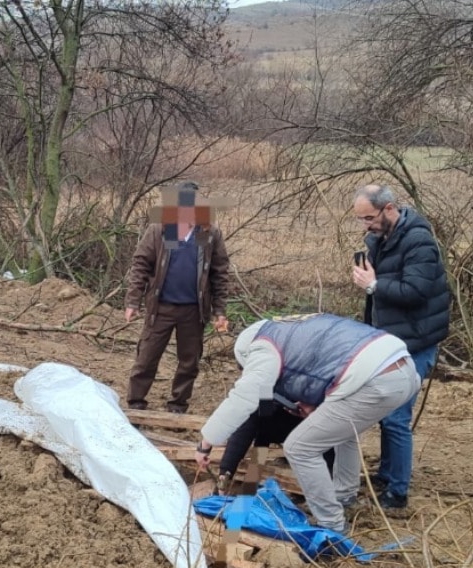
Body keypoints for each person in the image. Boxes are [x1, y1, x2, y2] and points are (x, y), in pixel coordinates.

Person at [194, 314, 420, 534]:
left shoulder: (263, 349)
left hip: (375, 379)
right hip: (402, 366)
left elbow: (243, 398)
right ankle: (345, 497)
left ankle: (331, 524)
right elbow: (327, 364)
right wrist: (226, 471)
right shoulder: (290, 330)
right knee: (344, 431)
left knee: (299, 447)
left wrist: (206, 442)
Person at [350, 185, 451, 510]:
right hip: (388, 340)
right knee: (385, 413)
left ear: (389, 208)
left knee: (396, 417)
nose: (366, 225)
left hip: (415, 342)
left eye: (369, 217)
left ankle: (397, 494)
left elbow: (416, 290)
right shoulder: (381, 239)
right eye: (361, 219)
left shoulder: (419, 241)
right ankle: (388, 473)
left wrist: (375, 285)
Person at [124, 182, 230, 413]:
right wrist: (133, 301)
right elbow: (141, 264)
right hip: (160, 307)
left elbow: (219, 272)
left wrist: (219, 310)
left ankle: (178, 405)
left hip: (193, 310)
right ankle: (136, 404)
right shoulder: (163, 229)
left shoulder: (207, 233)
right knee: (147, 358)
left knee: (189, 362)